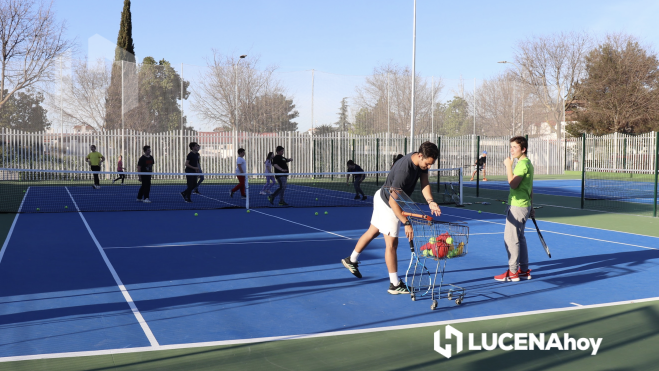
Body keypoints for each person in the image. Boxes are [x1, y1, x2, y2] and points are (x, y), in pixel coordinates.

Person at [342, 142, 441, 295]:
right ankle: (394, 284)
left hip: (383, 197)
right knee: (392, 244)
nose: (428, 167)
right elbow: (393, 202)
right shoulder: (404, 170)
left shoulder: (420, 163)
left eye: (431, 165)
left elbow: (424, 183)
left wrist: (431, 201)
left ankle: (352, 259)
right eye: (428, 164)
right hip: (389, 204)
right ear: (420, 156)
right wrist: (406, 222)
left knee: (373, 231)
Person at [494, 136, 534, 282]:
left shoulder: (522, 164)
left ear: (523, 149)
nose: (512, 150)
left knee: (511, 239)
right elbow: (530, 188)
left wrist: (508, 166)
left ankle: (513, 272)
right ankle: (523, 270)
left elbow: (513, 184)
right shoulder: (527, 163)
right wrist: (532, 206)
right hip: (523, 205)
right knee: (520, 238)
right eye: (511, 147)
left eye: (515, 147)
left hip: (518, 206)